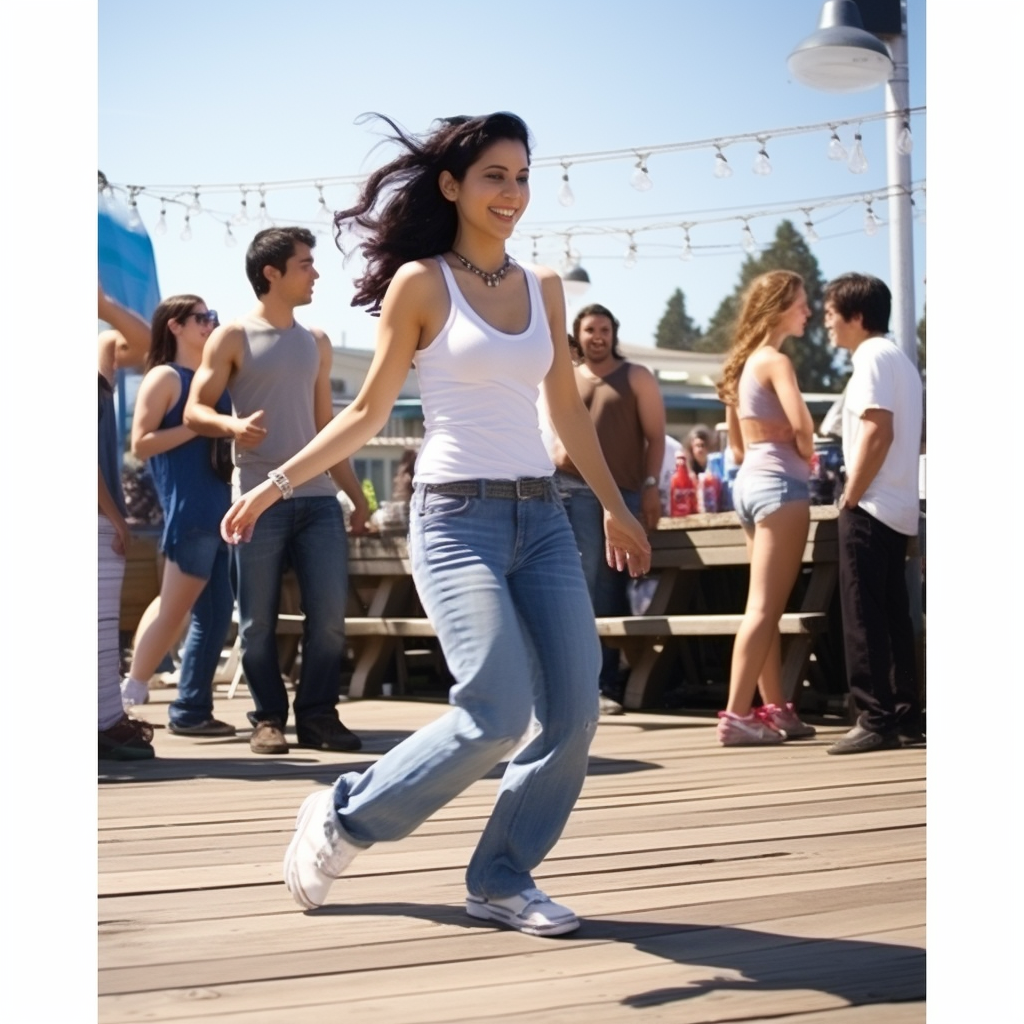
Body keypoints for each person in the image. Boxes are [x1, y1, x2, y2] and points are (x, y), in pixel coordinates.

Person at [220, 112, 651, 936]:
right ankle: (344, 816)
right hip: (456, 520)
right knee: (494, 709)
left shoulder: (545, 286)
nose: (512, 193)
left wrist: (616, 506)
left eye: (522, 177)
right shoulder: (422, 284)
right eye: (495, 176)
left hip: (544, 521)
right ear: (452, 185)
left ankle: (501, 878)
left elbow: (564, 407)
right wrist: (277, 482)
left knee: (572, 714)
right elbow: (369, 410)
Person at [184, 227, 371, 755]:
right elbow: (196, 409)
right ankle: (268, 718)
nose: (315, 273)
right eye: (305, 264)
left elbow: (326, 428)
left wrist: (356, 497)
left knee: (330, 620)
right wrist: (231, 427)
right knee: (258, 620)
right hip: (255, 502)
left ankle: (318, 717)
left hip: (318, 503)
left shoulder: (316, 341)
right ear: (272, 273)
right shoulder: (232, 336)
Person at [118, 295, 237, 737]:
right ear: (175, 326)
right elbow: (141, 442)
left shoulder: (212, 380)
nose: (210, 325)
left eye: (213, 317)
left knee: (212, 611)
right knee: (177, 611)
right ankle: (129, 697)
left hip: (222, 510)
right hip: (192, 510)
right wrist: (200, 423)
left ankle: (187, 708)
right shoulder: (165, 377)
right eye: (201, 318)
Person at [714, 270, 818, 746]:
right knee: (763, 607)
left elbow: (735, 450)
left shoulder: (739, 366)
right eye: (801, 303)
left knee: (764, 606)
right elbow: (803, 425)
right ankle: (736, 715)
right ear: (779, 308)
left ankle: (775, 709)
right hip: (781, 488)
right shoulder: (775, 361)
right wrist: (806, 451)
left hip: (749, 485)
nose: (809, 311)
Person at [823, 273, 924, 754]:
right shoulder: (900, 359)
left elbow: (877, 430)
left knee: (863, 612)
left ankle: (874, 717)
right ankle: (905, 716)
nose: (826, 323)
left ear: (857, 318)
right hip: (898, 504)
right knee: (893, 614)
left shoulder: (871, 358)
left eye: (831, 313)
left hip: (872, 501)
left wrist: (850, 495)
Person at [548, 303, 665, 714]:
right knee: (579, 583)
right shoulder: (565, 377)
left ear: (613, 333)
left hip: (624, 495)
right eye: (588, 329)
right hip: (571, 491)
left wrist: (651, 487)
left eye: (603, 329)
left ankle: (606, 681)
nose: (596, 336)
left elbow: (656, 438)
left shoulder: (636, 376)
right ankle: (581, 683)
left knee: (611, 586)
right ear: (577, 336)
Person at [98, 286, 157, 760]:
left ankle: (104, 722)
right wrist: (115, 514)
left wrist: (102, 305)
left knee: (101, 630)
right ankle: (104, 724)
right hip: (99, 515)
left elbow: (144, 345)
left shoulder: (96, 352)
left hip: (100, 518)